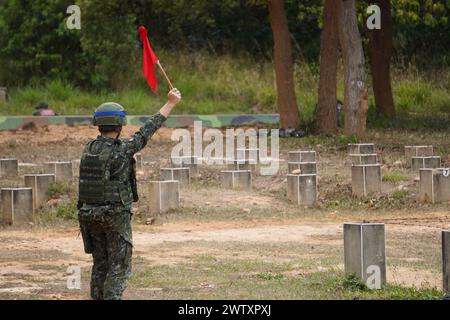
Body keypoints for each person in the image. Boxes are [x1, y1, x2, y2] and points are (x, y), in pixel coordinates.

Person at [77, 88, 182, 300]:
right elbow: (147, 131)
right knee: (119, 265)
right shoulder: (122, 149)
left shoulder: (89, 149)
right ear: (119, 125)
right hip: (114, 216)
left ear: (99, 124)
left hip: (89, 215)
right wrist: (170, 103)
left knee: (100, 264)